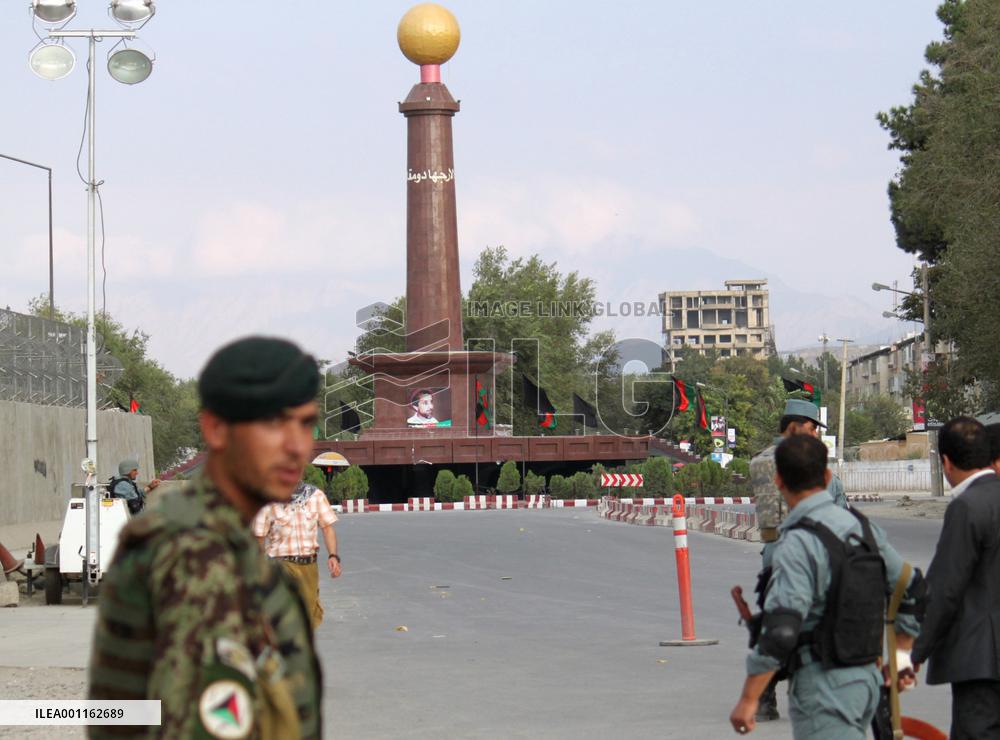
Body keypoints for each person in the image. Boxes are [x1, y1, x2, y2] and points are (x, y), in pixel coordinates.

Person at [89, 337, 324, 739]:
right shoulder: (196, 556)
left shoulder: (223, 541)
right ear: (216, 429)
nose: (296, 446)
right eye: (272, 423)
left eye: (304, 424)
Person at [730, 435, 923, 738]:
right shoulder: (862, 528)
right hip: (867, 683)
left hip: (823, 689)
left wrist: (749, 698)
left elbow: (781, 631)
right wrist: (901, 657)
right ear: (828, 476)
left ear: (778, 480)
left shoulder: (797, 543)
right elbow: (912, 587)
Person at [749, 397, 848, 720]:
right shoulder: (815, 469)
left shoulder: (759, 461)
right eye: (812, 428)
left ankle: (764, 696)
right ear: (795, 426)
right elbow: (841, 517)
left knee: (776, 625)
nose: (816, 435)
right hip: (814, 555)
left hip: (773, 554)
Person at [911, 416, 1000, 739]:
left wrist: (913, 654)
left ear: (946, 462)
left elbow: (946, 588)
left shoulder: (967, 506)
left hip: (982, 663)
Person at [254, 480, 342, 629]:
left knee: (308, 618)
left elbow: (327, 529)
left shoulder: (316, 496)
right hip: (280, 566)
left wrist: (333, 556)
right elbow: (259, 537)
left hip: (309, 567)